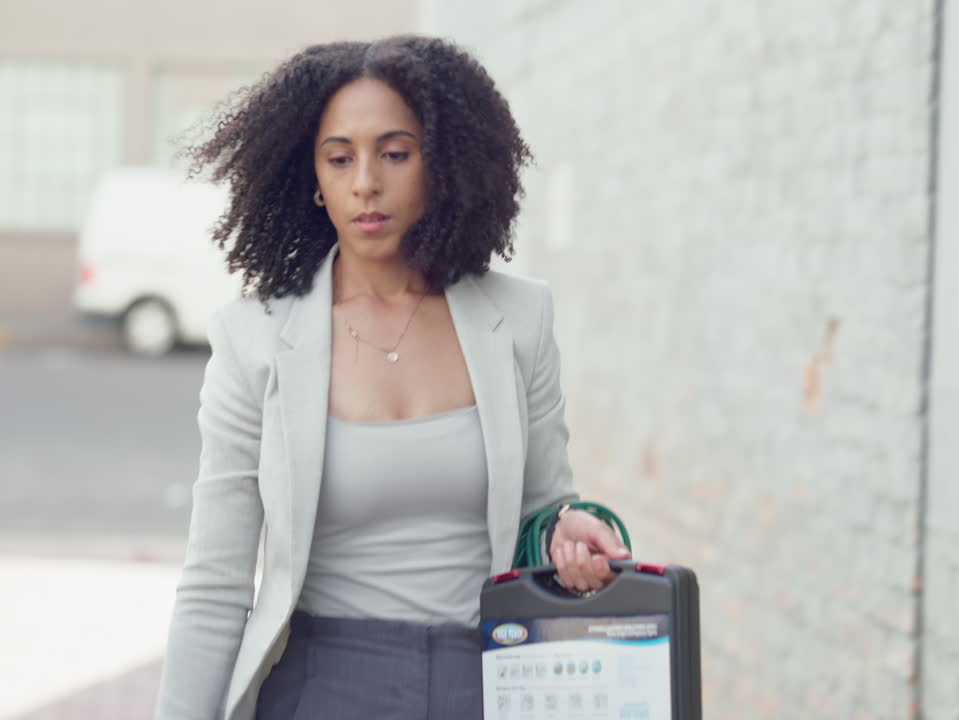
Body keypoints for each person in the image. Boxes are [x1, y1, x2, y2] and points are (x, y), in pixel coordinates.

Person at [155, 35, 632, 720]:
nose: (365, 183)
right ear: (311, 177)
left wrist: (570, 533)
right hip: (321, 686)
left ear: (443, 162)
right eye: (339, 158)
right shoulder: (253, 338)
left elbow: (544, 507)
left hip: (486, 681)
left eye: (395, 153)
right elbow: (215, 583)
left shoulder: (520, 319)